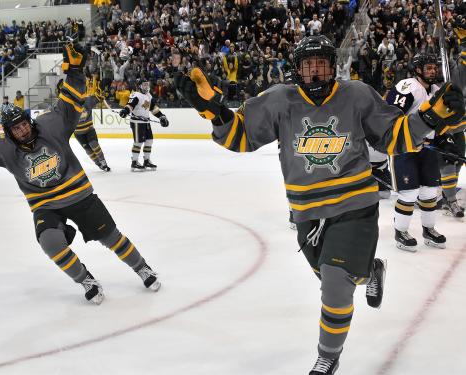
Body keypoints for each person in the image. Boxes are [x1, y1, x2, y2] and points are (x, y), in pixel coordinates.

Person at [174, 35, 464, 374]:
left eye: (321, 65)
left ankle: (328, 356)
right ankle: (369, 270)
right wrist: (214, 110)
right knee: (330, 273)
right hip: (307, 213)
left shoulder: (355, 94)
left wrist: (429, 117)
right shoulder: (279, 100)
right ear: (297, 69)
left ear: (332, 66)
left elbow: (395, 136)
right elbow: (239, 137)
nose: (315, 73)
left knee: (336, 283)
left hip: (355, 204)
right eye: (308, 66)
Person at [0, 43, 161, 305]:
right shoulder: (2, 149)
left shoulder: (51, 124)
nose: (22, 131)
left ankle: (142, 267)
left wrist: (76, 70)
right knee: (50, 242)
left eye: (24, 124)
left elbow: (70, 98)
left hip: (80, 196)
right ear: (8, 133)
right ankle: (86, 279)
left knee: (110, 236)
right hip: (45, 205)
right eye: (16, 129)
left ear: (29, 121)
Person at [385, 53, 450, 251]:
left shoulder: (438, 90)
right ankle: (400, 232)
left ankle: (428, 230)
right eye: (428, 68)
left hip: (428, 147)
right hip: (404, 147)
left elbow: (443, 122)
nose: (433, 71)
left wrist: (445, 137)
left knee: (430, 191)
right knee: (409, 192)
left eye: (434, 68)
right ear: (418, 69)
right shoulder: (407, 86)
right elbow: (391, 115)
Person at [439, 14, 466, 218]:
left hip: (461, 124)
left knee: (457, 161)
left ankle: (447, 196)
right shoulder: (447, 68)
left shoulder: (456, 65)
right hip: (445, 124)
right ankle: (450, 200)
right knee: (449, 161)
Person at [57, 73, 111, 172]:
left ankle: (103, 162)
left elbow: (100, 97)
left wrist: (103, 90)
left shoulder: (88, 100)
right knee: (88, 150)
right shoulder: (68, 104)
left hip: (89, 129)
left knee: (94, 144)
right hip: (77, 132)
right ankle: (98, 164)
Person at [119, 78, 169, 171]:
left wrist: (161, 116)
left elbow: (153, 108)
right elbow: (130, 105)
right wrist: (125, 111)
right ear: (139, 86)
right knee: (138, 142)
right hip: (137, 123)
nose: (146, 86)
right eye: (144, 85)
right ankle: (134, 162)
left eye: (147, 84)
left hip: (146, 122)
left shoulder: (148, 95)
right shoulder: (135, 95)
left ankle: (146, 160)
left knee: (149, 141)